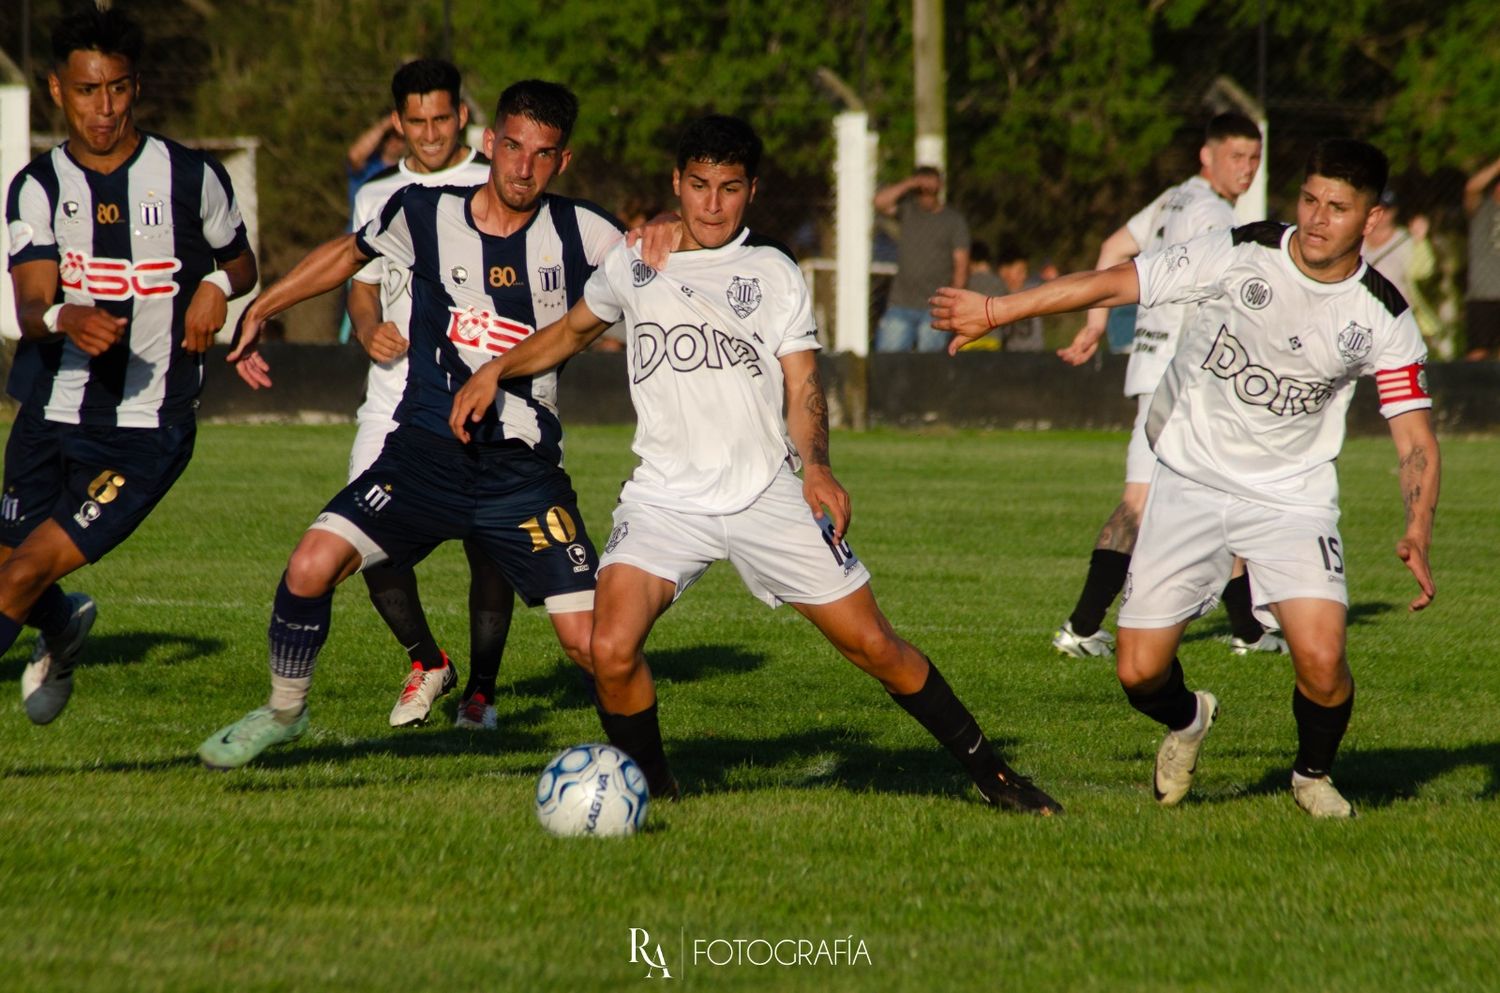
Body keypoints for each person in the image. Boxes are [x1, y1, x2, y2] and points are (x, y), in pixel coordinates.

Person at [451, 114, 1061, 816]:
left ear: (752, 192)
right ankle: (657, 790)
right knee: (608, 648)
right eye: (700, 186)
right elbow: (569, 332)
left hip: (765, 493)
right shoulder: (634, 261)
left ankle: (995, 775)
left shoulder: (772, 273)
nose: (713, 204)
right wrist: (496, 370)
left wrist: (819, 467)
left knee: (875, 646)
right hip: (664, 501)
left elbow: (803, 385)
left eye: (730, 188)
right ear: (676, 184)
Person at [932, 138, 1440, 818]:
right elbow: (1116, 282)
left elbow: (1415, 439)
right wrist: (998, 310)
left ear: (1372, 220)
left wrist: (1417, 524)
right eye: (1310, 200)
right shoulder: (1240, 250)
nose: (1318, 220)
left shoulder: (1383, 315)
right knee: (1139, 672)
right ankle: (1189, 718)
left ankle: (1312, 774)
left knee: (1321, 658)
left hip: (1292, 496)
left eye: (1339, 208)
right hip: (1189, 479)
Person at [199, 80, 622, 769]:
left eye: (542, 155)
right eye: (512, 147)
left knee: (594, 643)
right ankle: (283, 709)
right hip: (423, 455)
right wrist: (261, 305)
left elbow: (654, 268)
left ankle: (648, 766)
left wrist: (669, 233)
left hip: (522, 475)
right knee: (310, 564)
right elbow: (347, 256)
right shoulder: (423, 211)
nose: (522, 167)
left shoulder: (585, 231)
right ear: (489, 144)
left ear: (561, 162)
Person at [3, 5, 257, 725]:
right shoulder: (38, 186)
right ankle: (63, 626)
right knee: (10, 570)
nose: (103, 107)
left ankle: (52, 622)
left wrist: (215, 286)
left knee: (22, 571)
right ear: (57, 90)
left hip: (145, 432)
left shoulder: (189, 175)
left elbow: (242, 265)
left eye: (116, 88)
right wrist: (64, 318)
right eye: (87, 91)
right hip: (49, 412)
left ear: (136, 85)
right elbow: (30, 304)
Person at [1050, 113, 1280, 661]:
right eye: (1236, 157)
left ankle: (1247, 630)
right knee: (1191, 498)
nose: (1246, 169)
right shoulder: (1212, 214)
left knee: (1214, 495)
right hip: (1186, 378)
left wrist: (1096, 325)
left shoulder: (1173, 199)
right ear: (1208, 155)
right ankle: (1082, 628)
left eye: (1254, 158)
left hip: (1151, 371)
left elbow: (1112, 248)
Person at [345, 58, 515, 731]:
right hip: (391, 395)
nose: (430, 132)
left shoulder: (493, 179)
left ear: (463, 115)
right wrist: (367, 327)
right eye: (415, 121)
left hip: (481, 392)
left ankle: (482, 692)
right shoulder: (375, 194)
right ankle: (427, 660)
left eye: (441, 117)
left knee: (488, 539)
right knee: (360, 533)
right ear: (397, 122)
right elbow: (360, 277)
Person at [872, 166, 969, 353]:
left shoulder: (954, 221)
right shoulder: (908, 212)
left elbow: (961, 265)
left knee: (928, 366)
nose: (926, 196)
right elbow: (879, 202)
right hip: (901, 303)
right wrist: (911, 182)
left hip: (935, 308)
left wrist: (953, 303)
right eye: (921, 191)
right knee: (888, 361)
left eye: (930, 190)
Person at [1461, 154, 1500, 360]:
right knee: (1478, 353)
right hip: (1483, 294)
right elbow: (1472, 188)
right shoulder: (1481, 209)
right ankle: (1469, 393)